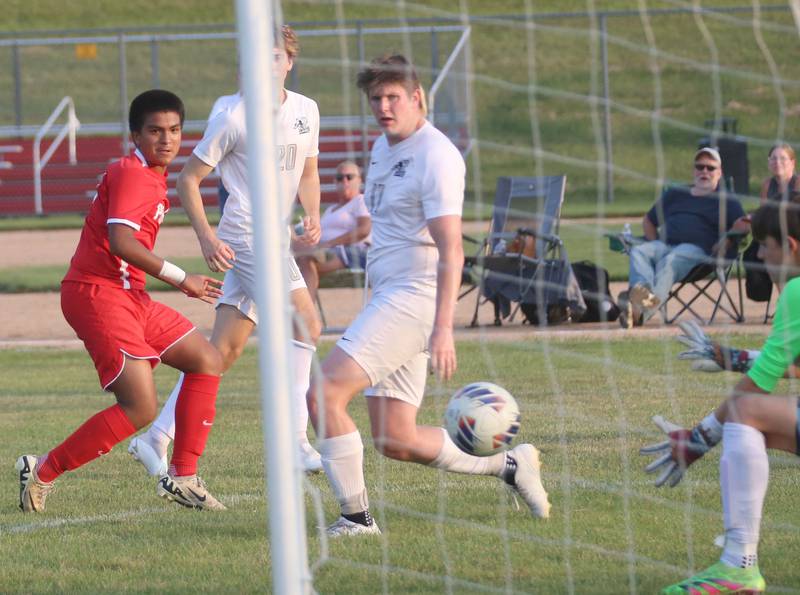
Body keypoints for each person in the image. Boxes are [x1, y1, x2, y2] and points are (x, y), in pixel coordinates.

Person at [306, 54, 551, 538]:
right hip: (387, 296)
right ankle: (510, 466)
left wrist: (443, 328)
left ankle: (356, 520)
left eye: (393, 96)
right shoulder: (381, 147)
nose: (383, 106)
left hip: (415, 298)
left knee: (323, 392)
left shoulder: (437, 156)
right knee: (394, 438)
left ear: (418, 97)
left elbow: (452, 250)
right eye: (375, 98)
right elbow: (381, 227)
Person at [15, 89, 227, 513]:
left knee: (206, 359)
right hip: (97, 293)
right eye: (155, 131)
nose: (166, 139)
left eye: (174, 130)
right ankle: (43, 470)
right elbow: (121, 241)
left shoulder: (149, 174)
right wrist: (183, 279)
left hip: (129, 294)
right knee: (140, 405)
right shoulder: (133, 173)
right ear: (136, 134)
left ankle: (184, 477)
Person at [127, 25, 324, 477]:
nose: (267, 64)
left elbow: (309, 172)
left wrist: (311, 215)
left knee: (222, 351)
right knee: (305, 321)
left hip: (274, 237)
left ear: (289, 62)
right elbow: (187, 179)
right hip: (246, 234)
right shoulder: (234, 116)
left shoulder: (306, 111)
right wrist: (207, 237)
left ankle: (155, 437)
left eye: (276, 56)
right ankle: (295, 441)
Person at [640, 199, 800, 593]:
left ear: (791, 246)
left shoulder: (797, 290)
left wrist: (700, 437)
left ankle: (738, 566)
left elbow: (763, 382)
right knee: (754, 425)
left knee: (746, 413)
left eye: (765, 245)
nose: (760, 254)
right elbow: (789, 364)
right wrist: (733, 357)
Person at [618, 147, 745, 328]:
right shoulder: (676, 194)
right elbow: (649, 220)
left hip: (699, 252)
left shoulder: (726, 199)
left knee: (670, 261)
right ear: (694, 170)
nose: (704, 172)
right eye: (700, 167)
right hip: (664, 245)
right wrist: (654, 241)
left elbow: (744, 223)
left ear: (720, 173)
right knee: (638, 251)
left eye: (710, 168)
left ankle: (640, 313)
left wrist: (728, 240)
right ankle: (640, 301)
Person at [295, 160, 371, 304]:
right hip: (324, 251)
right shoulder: (330, 210)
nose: (344, 181)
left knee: (304, 260)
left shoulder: (361, 201)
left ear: (359, 180)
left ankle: (305, 313)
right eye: (339, 178)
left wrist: (329, 243)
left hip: (350, 252)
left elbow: (364, 230)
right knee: (297, 255)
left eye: (349, 177)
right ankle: (301, 313)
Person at [743, 144, 799, 303]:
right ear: (768, 163)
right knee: (753, 254)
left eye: (782, 158)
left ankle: (790, 301)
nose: (777, 162)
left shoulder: (797, 183)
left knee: (777, 251)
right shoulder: (768, 185)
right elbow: (764, 215)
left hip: (793, 235)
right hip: (772, 235)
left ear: (793, 163)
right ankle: (782, 299)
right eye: (773, 158)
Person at [207, 88, 241, 215]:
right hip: (229, 177)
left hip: (259, 177)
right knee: (228, 220)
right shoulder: (225, 102)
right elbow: (215, 131)